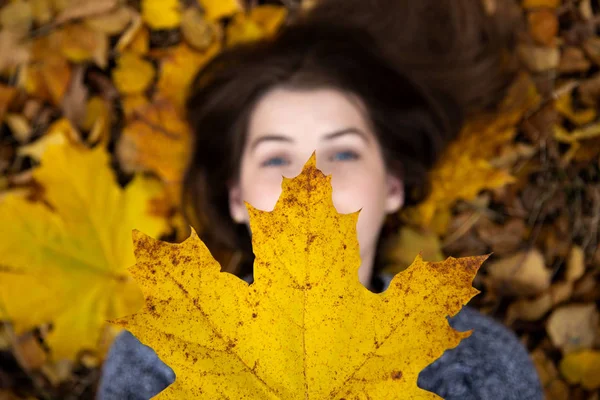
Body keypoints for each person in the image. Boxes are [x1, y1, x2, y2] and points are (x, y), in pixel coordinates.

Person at [97, 13, 543, 400]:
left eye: (344, 153)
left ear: (392, 185)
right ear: (237, 197)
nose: (310, 182)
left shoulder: (479, 369)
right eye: (276, 158)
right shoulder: (155, 362)